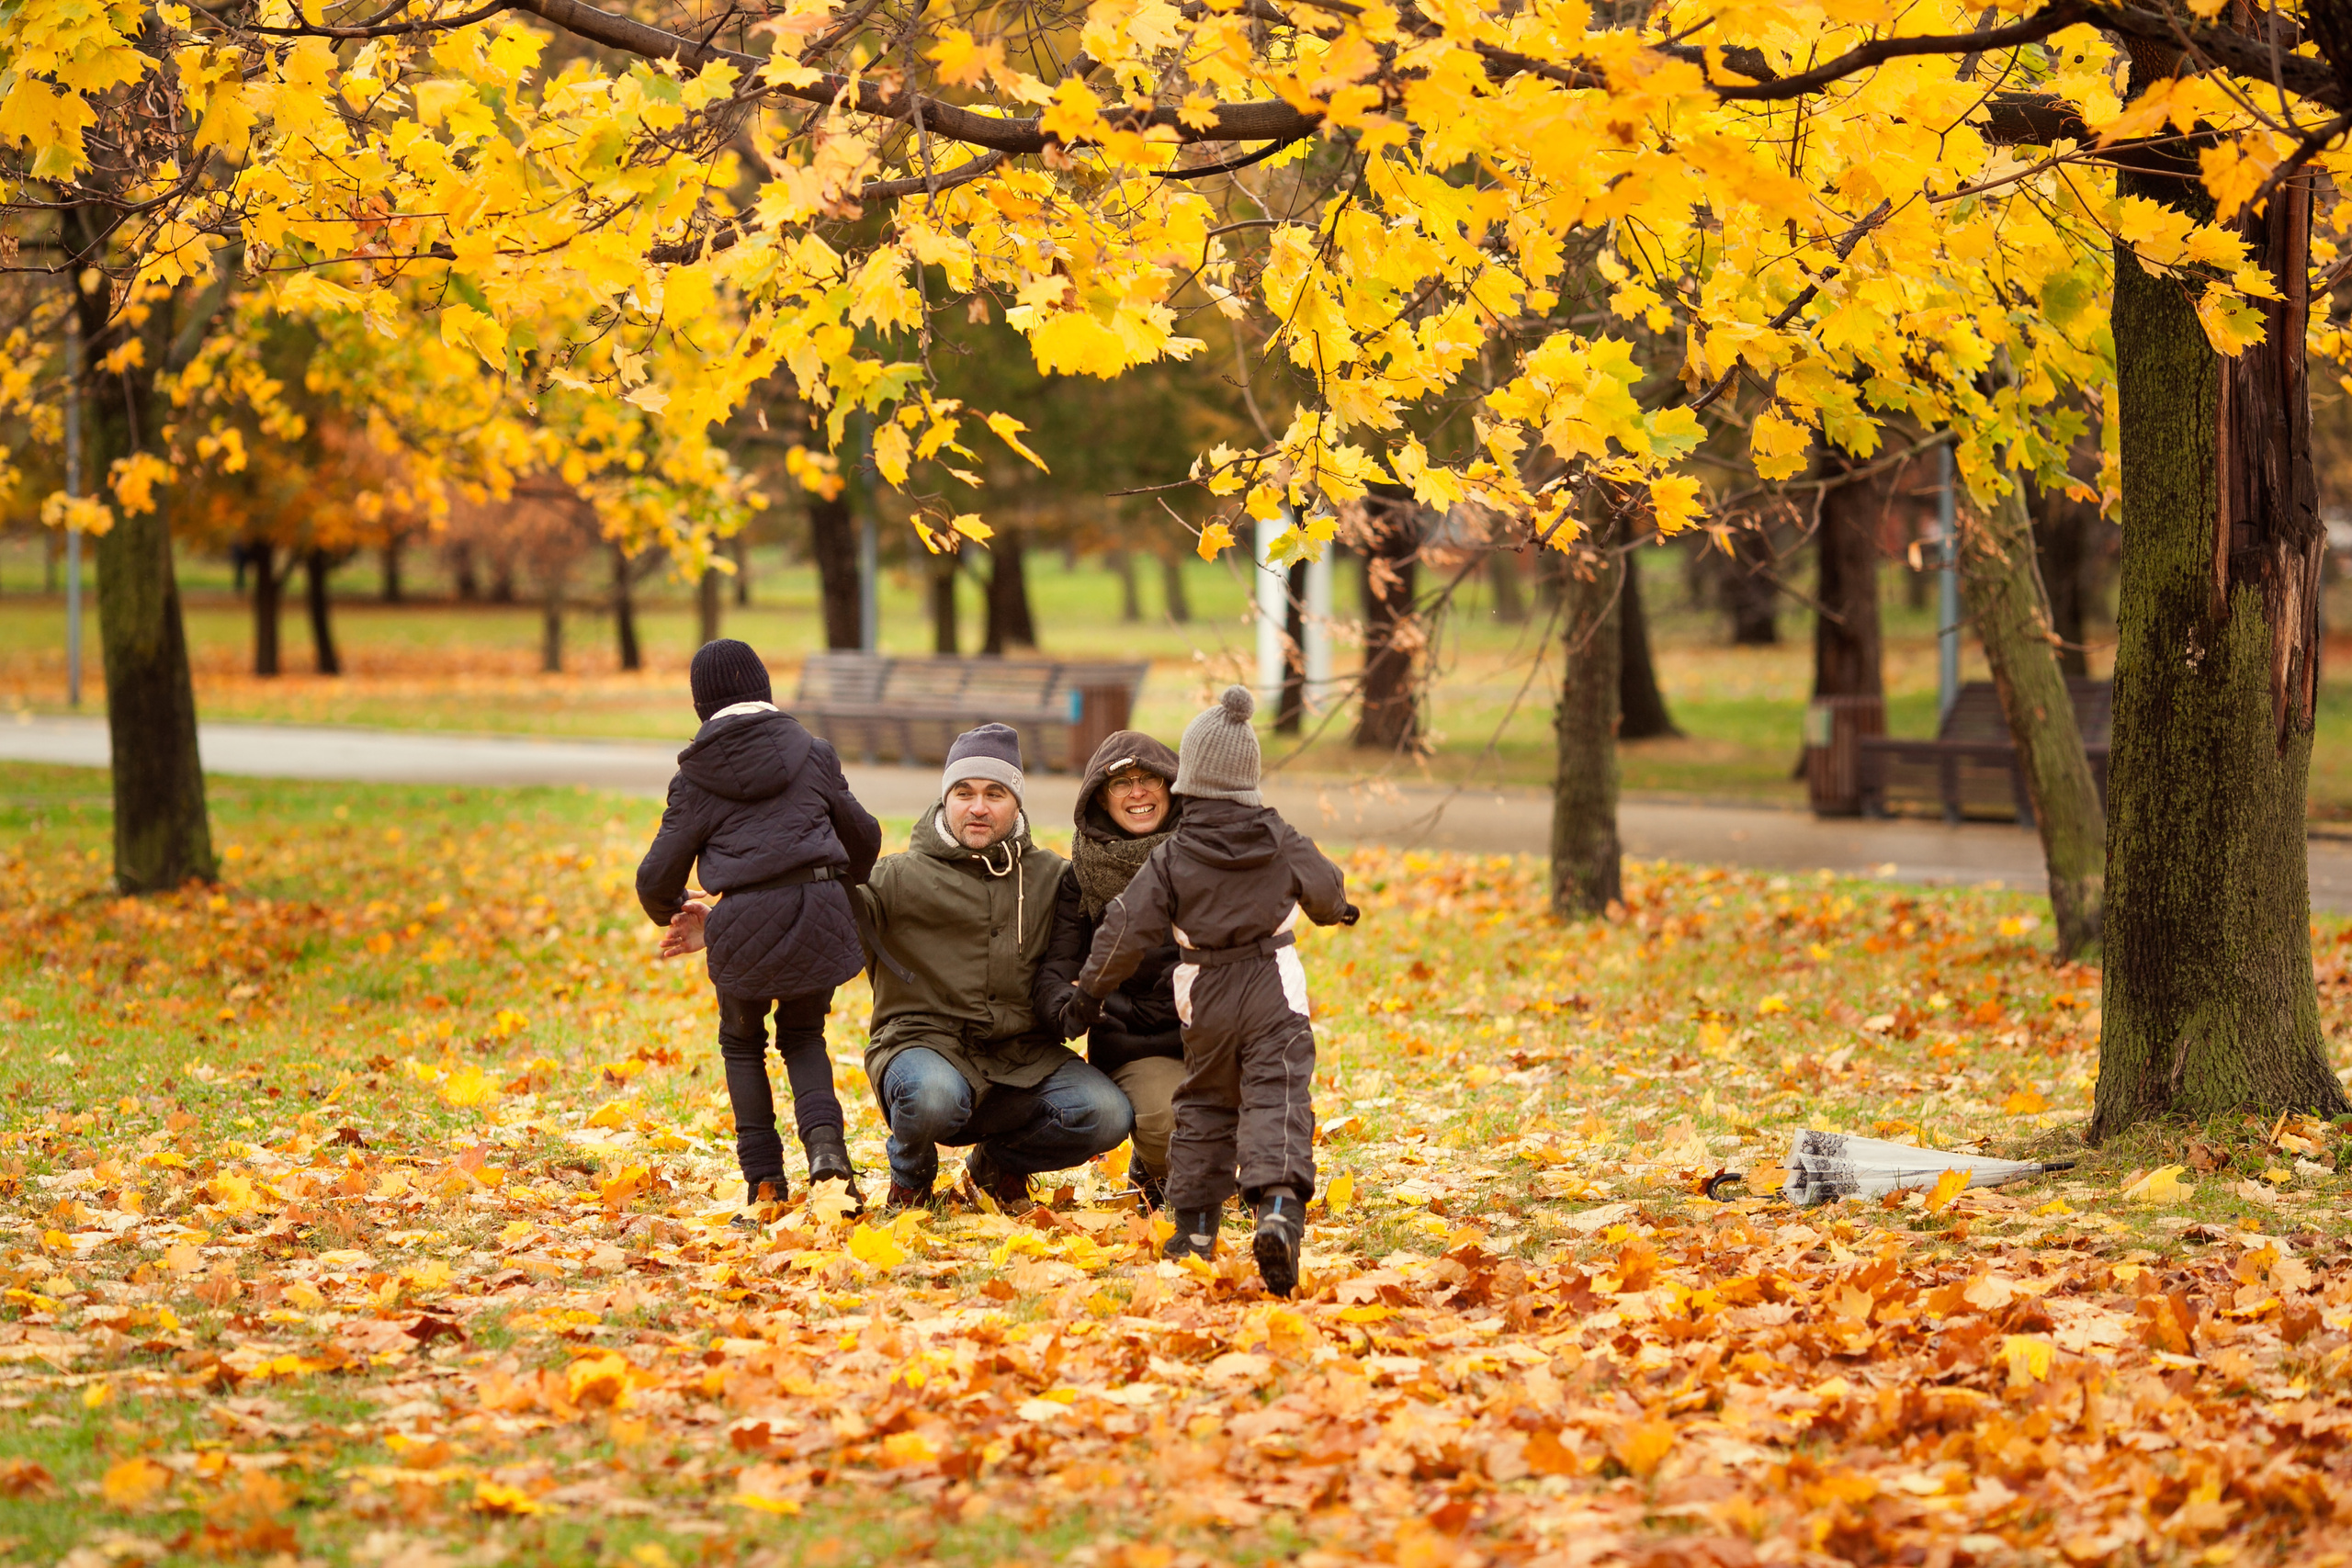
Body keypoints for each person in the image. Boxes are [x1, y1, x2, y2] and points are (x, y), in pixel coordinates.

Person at [1070, 685, 1357, 1296]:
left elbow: (1124, 927)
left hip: (1204, 994)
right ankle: (1278, 1210)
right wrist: (1340, 911)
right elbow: (1326, 889)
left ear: (1189, 776)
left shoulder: (1174, 855)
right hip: (1272, 989)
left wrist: (1089, 994)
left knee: (1203, 1101)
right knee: (1276, 1098)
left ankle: (1194, 1226)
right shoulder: (1278, 836)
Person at [637, 639, 881, 1218]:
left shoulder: (695, 779)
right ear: (764, 689)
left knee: (741, 1043)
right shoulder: (814, 753)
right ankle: (830, 1162)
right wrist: (838, 887)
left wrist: (678, 908)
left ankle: (765, 1181)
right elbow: (864, 836)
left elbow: (655, 876)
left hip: (743, 920)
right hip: (818, 910)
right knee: (804, 1036)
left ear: (703, 705)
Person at [854, 724, 1134, 1212]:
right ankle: (910, 1180)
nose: (977, 806)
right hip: (923, 1047)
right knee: (934, 1096)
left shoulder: (1053, 878)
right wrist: (725, 924)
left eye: (994, 793)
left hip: (1024, 1058)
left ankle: (998, 1166)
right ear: (946, 800)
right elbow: (824, 918)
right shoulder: (898, 876)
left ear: (1017, 804)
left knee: (1107, 1113)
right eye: (963, 793)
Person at [1034, 731, 1186, 1211]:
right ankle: (1158, 1170)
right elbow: (1057, 974)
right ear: (1101, 796)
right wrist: (1089, 1006)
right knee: (1168, 1120)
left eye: (1149, 779)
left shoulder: (1206, 852)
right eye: (1121, 783)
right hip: (1139, 1042)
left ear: (1172, 786)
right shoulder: (1083, 875)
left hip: (1217, 1032)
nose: (1137, 793)